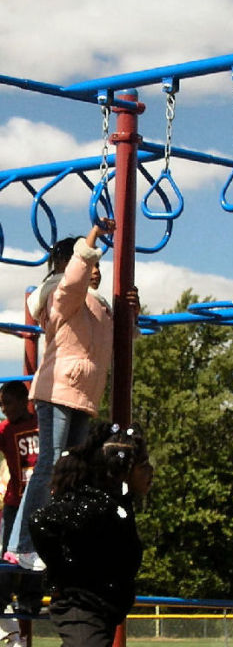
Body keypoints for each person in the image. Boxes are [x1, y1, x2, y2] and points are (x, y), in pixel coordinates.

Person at [6, 220, 140, 572]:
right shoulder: (60, 296)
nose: (95, 272)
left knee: (72, 472)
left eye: (98, 266)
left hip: (83, 396)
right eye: (91, 264)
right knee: (49, 464)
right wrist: (92, 238)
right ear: (73, 264)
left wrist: (131, 311)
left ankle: (57, 539)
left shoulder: (97, 308)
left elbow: (122, 339)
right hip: (58, 389)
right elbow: (75, 280)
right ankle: (19, 545)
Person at [29, 421, 153, 647]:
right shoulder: (97, 505)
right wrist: (61, 569)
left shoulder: (117, 504)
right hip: (82, 610)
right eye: (143, 464)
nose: (150, 471)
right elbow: (40, 521)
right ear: (124, 470)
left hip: (99, 611)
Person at [0, 382, 42, 647]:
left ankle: (30, 599)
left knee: (37, 555)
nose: (4, 409)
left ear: (23, 400)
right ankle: (1, 598)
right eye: (1, 405)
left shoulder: (41, 424)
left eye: (8, 403)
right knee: (8, 553)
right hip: (16, 502)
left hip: (38, 502)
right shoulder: (5, 430)